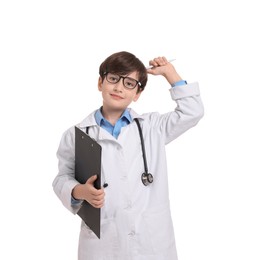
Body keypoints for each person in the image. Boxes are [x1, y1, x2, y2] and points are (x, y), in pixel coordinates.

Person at [52, 51, 204, 260]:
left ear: (137, 94)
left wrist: (170, 73)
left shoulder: (152, 127)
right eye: (113, 79)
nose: (119, 87)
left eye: (129, 83)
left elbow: (192, 111)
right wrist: (79, 191)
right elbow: (62, 178)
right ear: (100, 83)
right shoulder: (76, 135)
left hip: (151, 243)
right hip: (103, 244)